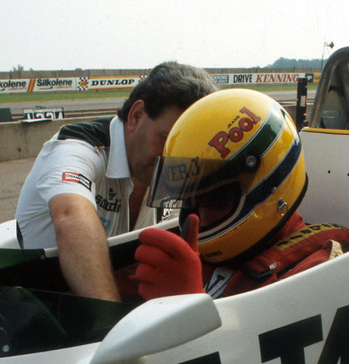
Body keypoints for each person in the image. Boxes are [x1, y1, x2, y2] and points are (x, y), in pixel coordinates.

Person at [133, 89, 349, 301]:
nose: (200, 218)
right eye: (192, 200)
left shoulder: (324, 272)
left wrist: (186, 308)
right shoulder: (191, 262)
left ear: (270, 185)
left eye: (216, 198)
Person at [15, 62, 216, 300]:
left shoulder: (170, 163)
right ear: (136, 116)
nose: (174, 161)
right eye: (166, 139)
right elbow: (71, 217)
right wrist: (111, 321)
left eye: (185, 148)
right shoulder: (76, 147)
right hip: (53, 305)